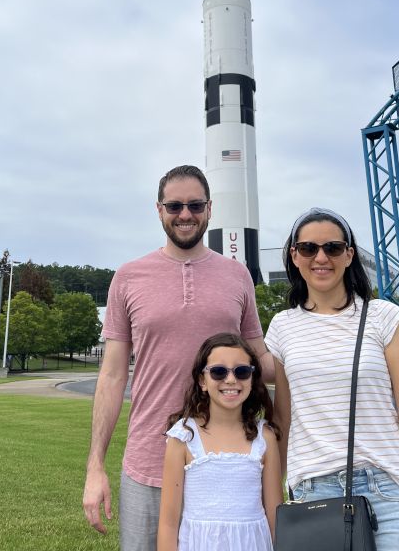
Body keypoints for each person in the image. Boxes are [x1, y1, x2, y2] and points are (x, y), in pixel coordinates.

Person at [82, 164, 274, 551]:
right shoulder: (128, 277)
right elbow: (113, 376)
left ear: (209, 209)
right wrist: (95, 466)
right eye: (174, 206)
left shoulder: (237, 276)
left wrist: (319, 352)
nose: (185, 214)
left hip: (224, 466)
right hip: (148, 462)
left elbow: (261, 360)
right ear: (159, 210)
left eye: (195, 205)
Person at [266, 208, 399, 551]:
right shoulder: (282, 327)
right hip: (313, 494)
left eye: (333, 248)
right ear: (294, 255)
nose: (321, 258)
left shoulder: (384, 318)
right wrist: (273, 507)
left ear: (349, 255)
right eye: (308, 248)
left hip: (387, 491)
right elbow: (283, 420)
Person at [157, 333, 282, 551]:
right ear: (202, 381)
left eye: (242, 372)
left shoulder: (265, 438)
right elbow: (168, 524)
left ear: (252, 378)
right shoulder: (183, 437)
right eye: (218, 372)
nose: (231, 380)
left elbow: (275, 518)